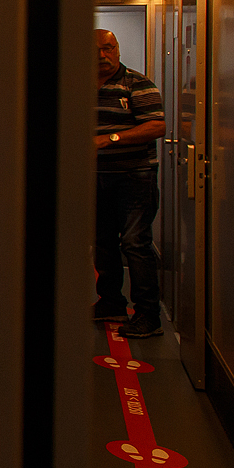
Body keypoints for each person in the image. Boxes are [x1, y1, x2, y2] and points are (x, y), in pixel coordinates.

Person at [94, 29, 167, 337]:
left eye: (108, 49)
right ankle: (111, 301)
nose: (102, 56)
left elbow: (157, 125)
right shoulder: (77, 83)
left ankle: (148, 314)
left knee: (135, 244)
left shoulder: (137, 84)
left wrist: (112, 138)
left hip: (134, 176)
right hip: (97, 177)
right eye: (96, 50)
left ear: (118, 50)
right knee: (103, 242)